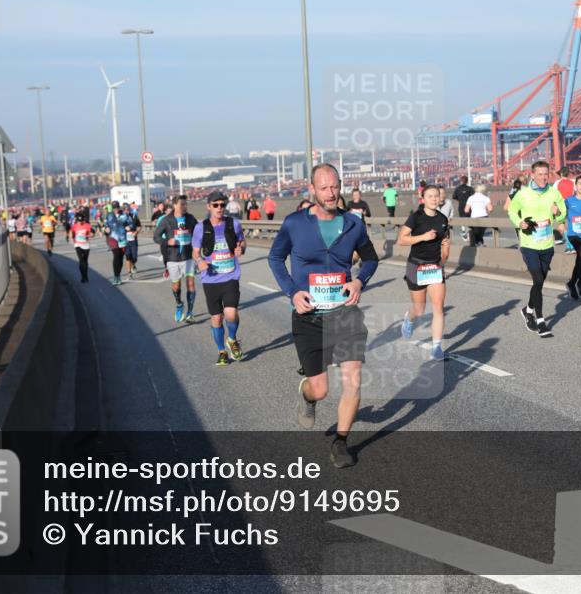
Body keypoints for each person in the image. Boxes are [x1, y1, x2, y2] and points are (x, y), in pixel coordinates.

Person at [267, 164, 379, 468]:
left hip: (345, 314)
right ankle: (307, 395)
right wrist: (292, 292)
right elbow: (276, 258)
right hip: (309, 317)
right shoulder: (294, 224)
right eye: (324, 187)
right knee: (321, 389)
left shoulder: (354, 224)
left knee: (353, 381)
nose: (331, 193)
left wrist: (358, 281)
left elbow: (370, 258)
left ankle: (341, 443)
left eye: (335, 186)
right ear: (312, 190)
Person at [507, 161, 566, 338]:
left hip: (548, 244)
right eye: (539, 174)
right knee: (538, 278)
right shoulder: (523, 193)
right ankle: (540, 321)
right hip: (529, 244)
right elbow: (511, 211)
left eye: (545, 174)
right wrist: (519, 223)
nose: (542, 177)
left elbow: (562, 213)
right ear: (532, 175)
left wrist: (557, 213)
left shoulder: (554, 192)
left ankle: (528, 309)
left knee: (538, 283)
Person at [398, 185, 451, 360]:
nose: (434, 199)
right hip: (416, 266)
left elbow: (445, 242)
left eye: (437, 196)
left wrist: (444, 257)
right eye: (430, 196)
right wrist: (422, 237)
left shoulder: (443, 219)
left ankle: (436, 347)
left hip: (434, 267)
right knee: (419, 309)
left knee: (438, 307)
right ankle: (409, 319)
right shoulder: (416, 217)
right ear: (423, 198)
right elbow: (402, 240)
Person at [193, 191, 246, 366]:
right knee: (216, 318)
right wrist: (200, 261)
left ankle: (232, 339)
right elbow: (195, 251)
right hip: (210, 279)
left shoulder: (233, 223)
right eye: (215, 205)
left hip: (230, 276)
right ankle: (222, 351)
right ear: (209, 207)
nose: (219, 208)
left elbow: (241, 241)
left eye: (222, 205)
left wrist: (241, 249)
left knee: (231, 313)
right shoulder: (201, 227)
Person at [154, 195, 199, 323]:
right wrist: (168, 241)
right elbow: (156, 237)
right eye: (182, 204)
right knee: (176, 286)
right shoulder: (166, 220)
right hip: (173, 258)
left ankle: (190, 313)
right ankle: (179, 304)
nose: (185, 207)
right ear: (174, 205)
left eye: (186, 204)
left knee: (190, 283)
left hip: (188, 257)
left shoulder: (190, 218)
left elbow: (199, 233)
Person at [103, 201, 130, 286]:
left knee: (121, 257)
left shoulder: (124, 215)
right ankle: (116, 276)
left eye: (117, 208)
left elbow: (131, 224)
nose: (116, 210)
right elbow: (105, 224)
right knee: (116, 255)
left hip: (122, 238)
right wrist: (106, 228)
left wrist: (128, 227)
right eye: (114, 208)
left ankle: (118, 276)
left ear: (119, 208)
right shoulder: (109, 215)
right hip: (113, 238)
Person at [70, 210, 94, 283]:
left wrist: (88, 235)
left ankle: (86, 275)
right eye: (79, 221)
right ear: (77, 220)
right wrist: (72, 240)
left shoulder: (87, 225)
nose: (80, 222)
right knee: (81, 260)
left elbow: (92, 234)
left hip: (86, 245)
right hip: (78, 244)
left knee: (85, 261)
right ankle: (83, 277)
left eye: (81, 221)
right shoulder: (74, 226)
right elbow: (71, 234)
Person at [452, 176, 474, 241]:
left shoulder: (457, 189)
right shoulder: (470, 189)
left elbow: (454, 197)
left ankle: (464, 233)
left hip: (461, 205)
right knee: (469, 219)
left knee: (462, 219)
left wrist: (459, 200)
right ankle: (469, 234)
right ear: (467, 181)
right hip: (469, 206)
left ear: (461, 181)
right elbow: (473, 197)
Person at [122, 205, 142, 279]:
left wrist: (136, 232)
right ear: (123, 210)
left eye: (128, 209)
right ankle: (129, 274)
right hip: (125, 240)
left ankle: (133, 265)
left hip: (133, 239)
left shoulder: (134, 216)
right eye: (125, 209)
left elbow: (139, 226)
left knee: (134, 257)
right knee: (128, 257)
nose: (126, 211)